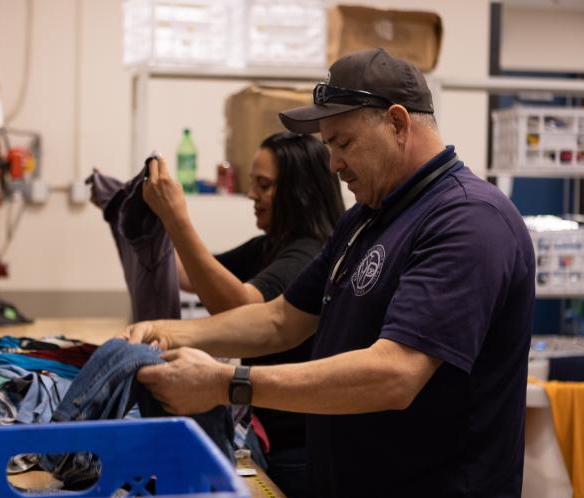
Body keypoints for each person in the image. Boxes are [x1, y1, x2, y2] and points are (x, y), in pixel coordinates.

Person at [124, 48, 535, 498]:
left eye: (343, 143)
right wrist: (168, 333)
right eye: (328, 147)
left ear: (398, 123)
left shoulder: (468, 220)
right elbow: (280, 320)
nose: (334, 164)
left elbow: (395, 373)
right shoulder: (365, 219)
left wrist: (227, 385)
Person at [141, 132, 345, 497]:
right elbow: (191, 275)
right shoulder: (270, 245)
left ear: (299, 191)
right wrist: (140, 228)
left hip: (292, 451)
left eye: (263, 185)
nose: (252, 194)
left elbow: (241, 310)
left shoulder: (307, 256)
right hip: (265, 432)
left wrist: (176, 219)